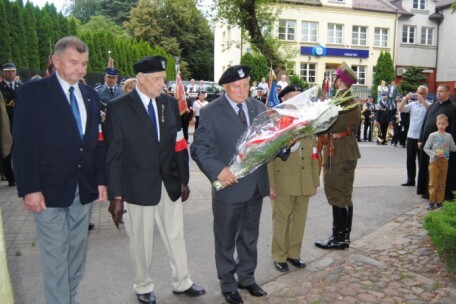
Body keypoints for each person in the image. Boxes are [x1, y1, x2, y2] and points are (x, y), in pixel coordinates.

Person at [11, 36, 107, 304]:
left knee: (76, 252)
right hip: (47, 190)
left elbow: (96, 142)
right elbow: (24, 145)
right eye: (74, 62)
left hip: (82, 187)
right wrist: (29, 188)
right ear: (55, 61)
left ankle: (69, 297)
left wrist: (100, 179)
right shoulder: (34, 93)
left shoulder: (90, 95)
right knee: (55, 255)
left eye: (85, 64)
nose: (81, 69)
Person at [105, 55, 205, 304]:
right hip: (137, 187)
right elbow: (113, 155)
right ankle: (143, 285)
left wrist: (184, 179)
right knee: (141, 239)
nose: (163, 83)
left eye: (163, 78)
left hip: (168, 182)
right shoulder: (119, 108)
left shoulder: (169, 104)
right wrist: (116, 195)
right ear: (141, 79)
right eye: (158, 79)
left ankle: (182, 281)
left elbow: (179, 144)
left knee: (175, 234)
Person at [190, 65, 269, 304]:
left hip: (255, 184)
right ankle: (228, 283)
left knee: (249, 236)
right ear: (225, 87)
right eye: (236, 86)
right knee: (225, 239)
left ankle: (247, 277)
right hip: (229, 187)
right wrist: (218, 170)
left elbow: (267, 142)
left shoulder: (259, 107)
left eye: (246, 86)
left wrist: (284, 144)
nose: (242, 91)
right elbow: (199, 149)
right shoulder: (212, 111)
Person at [268, 84, 319, 273]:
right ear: (283, 99)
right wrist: (271, 184)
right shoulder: (276, 121)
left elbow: (314, 153)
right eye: (293, 96)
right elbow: (269, 157)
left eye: (300, 96)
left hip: (304, 179)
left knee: (299, 219)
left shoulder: (307, 121)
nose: (298, 100)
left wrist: (315, 181)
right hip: (283, 180)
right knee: (282, 219)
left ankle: (294, 254)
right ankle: (279, 255)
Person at [315, 62, 360, 250]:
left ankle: (339, 238)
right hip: (348, 149)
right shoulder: (352, 100)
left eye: (335, 78)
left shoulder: (340, 101)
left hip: (338, 151)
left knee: (335, 192)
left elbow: (324, 125)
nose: (333, 81)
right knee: (345, 194)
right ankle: (344, 237)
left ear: (340, 80)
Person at [417, 85, 456, 201]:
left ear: (448, 93)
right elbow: (425, 123)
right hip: (428, 144)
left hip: (442, 147)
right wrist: (421, 139)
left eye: (441, 91)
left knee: (441, 171)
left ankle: (444, 195)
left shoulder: (454, 108)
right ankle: (428, 192)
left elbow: (454, 130)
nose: (438, 93)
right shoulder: (433, 105)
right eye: (437, 91)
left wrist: (449, 146)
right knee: (429, 169)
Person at [423, 114, 456, 210]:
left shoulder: (448, 136)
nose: (441, 125)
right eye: (439, 123)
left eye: (443, 124)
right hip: (434, 161)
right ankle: (432, 201)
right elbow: (426, 148)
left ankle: (440, 201)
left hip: (444, 161)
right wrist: (434, 154)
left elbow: (453, 148)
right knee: (433, 182)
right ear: (436, 124)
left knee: (442, 182)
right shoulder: (432, 135)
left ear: (447, 124)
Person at [398, 86, 430, 186]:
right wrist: (405, 99)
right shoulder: (413, 104)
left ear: (425, 94)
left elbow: (429, 111)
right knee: (410, 159)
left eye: (420, 93)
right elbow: (400, 109)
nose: (418, 94)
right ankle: (410, 180)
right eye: (417, 92)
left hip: (422, 137)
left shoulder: (428, 104)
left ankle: (422, 181)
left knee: (422, 160)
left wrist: (422, 100)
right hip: (411, 135)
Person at [0, 62, 21, 187]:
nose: (11, 73)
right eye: (8, 71)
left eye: (13, 71)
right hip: (6, 124)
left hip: (19, 123)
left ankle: (20, 174)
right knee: (7, 151)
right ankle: (11, 178)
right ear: (3, 72)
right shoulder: (1, 88)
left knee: (20, 151)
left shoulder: (20, 86)